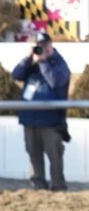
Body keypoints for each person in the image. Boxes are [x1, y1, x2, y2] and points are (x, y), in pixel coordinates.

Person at [11, 32, 71, 191]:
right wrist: (28, 59)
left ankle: (58, 186)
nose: (41, 49)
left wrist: (44, 62)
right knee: (33, 154)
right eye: (38, 46)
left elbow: (56, 81)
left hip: (51, 120)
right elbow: (16, 75)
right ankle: (38, 185)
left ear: (50, 45)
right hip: (30, 118)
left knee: (55, 155)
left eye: (44, 45)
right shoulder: (31, 63)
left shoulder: (59, 63)